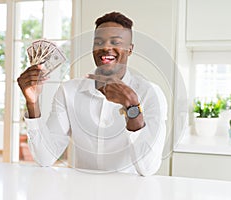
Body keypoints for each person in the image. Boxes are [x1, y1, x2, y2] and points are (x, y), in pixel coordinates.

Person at [17, 11, 167, 176]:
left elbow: (147, 168)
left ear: (129, 49)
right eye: (99, 42)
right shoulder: (69, 91)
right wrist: (32, 103)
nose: (106, 47)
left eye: (115, 41)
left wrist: (132, 107)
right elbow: (44, 158)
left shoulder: (151, 94)